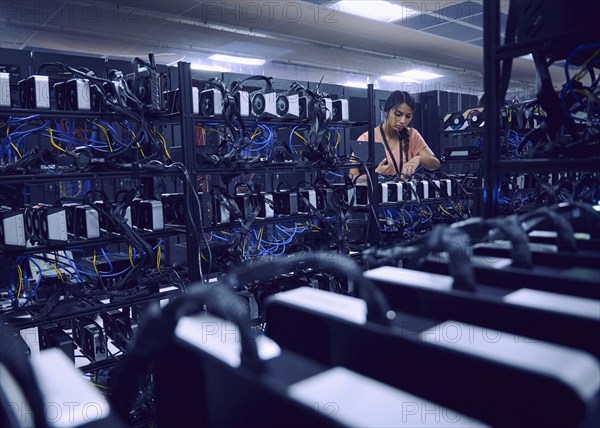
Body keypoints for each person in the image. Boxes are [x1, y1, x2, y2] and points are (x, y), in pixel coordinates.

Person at [350, 90, 440, 180]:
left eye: (408, 116)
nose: (403, 121)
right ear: (386, 111)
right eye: (398, 114)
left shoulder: (412, 135)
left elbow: (436, 164)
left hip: (406, 193)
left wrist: (419, 159)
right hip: (377, 193)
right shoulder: (366, 139)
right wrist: (377, 174)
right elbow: (353, 178)